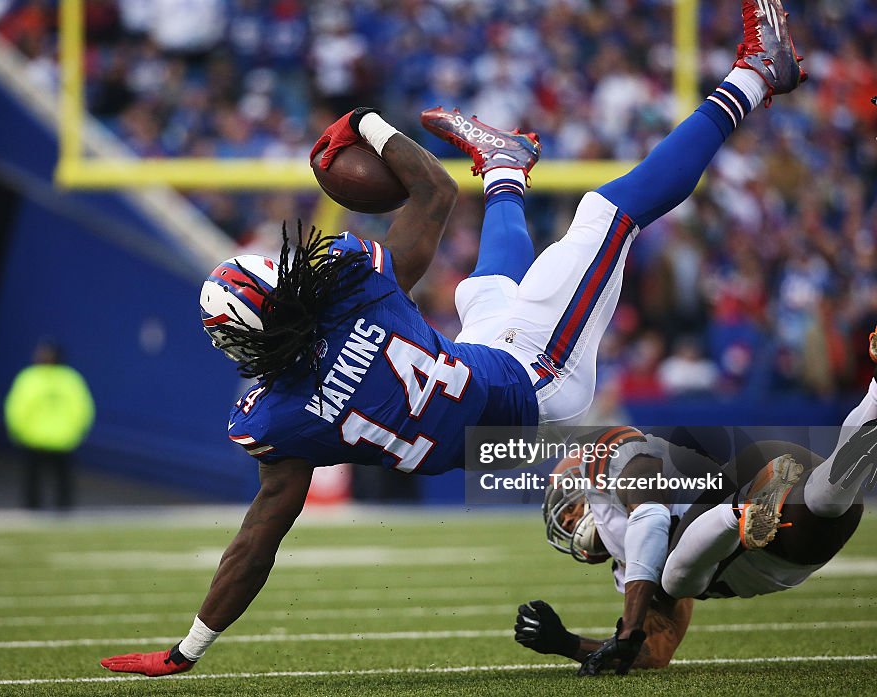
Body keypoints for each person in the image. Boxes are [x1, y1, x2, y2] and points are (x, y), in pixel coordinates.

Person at [101, 0, 807, 676]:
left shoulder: (276, 420)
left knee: (483, 292)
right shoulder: (353, 287)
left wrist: (187, 647)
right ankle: (755, 73)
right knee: (605, 213)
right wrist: (363, 121)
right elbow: (433, 192)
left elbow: (256, 544)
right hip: (540, 379)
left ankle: (503, 168)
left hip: (488, 387)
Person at [518, 331, 877, 676]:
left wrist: (629, 628)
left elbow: (651, 514)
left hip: (748, 480)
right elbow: (655, 651)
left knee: (673, 579)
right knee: (828, 498)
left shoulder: (614, 458)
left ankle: (741, 512)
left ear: (585, 485)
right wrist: (567, 643)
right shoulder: (627, 573)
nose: (571, 521)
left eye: (569, 509)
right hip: (785, 545)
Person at [3, 339, 95, 510]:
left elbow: (16, 408)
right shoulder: (70, 379)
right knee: (47, 481)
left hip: (42, 440)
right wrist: (77, 432)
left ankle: (44, 510)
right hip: (53, 440)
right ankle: (52, 510)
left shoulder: (31, 378)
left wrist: (17, 431)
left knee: (45, 481)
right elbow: (83, 409)